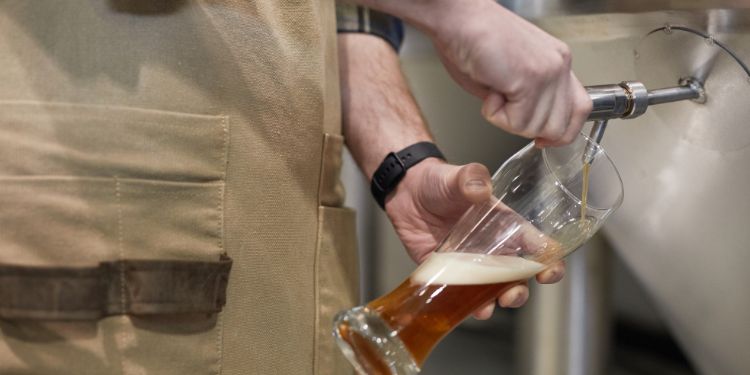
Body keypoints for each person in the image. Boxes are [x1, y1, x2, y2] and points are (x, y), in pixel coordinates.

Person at [0, 1, 590, 374]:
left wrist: (401, 163)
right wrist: (459, 13)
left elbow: (334, 17)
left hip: (282, 224)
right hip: (113, 192)